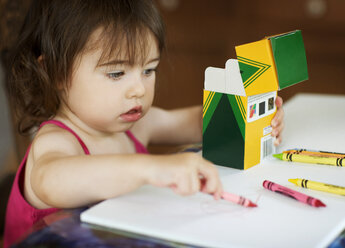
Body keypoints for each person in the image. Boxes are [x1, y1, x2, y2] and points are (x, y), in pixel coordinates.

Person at [3, 0, 284, 247]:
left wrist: (254, 113)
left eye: (149, 70)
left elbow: (201, 123)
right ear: (56, 73)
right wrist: (152, 168)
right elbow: (52, 180)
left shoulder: (138, 124)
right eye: (116, 73)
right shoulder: (55, 141)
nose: (138, 88)